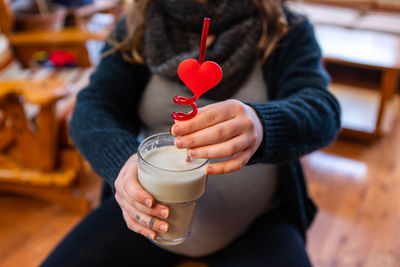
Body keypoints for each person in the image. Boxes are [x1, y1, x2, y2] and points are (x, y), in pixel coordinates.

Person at [42, 0, 341, 266]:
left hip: (259, 224)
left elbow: (322, 110)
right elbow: (92, 107)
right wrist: (121, 161)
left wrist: (263, 123)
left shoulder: (286, 30)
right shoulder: (138, 25)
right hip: (144, 213)